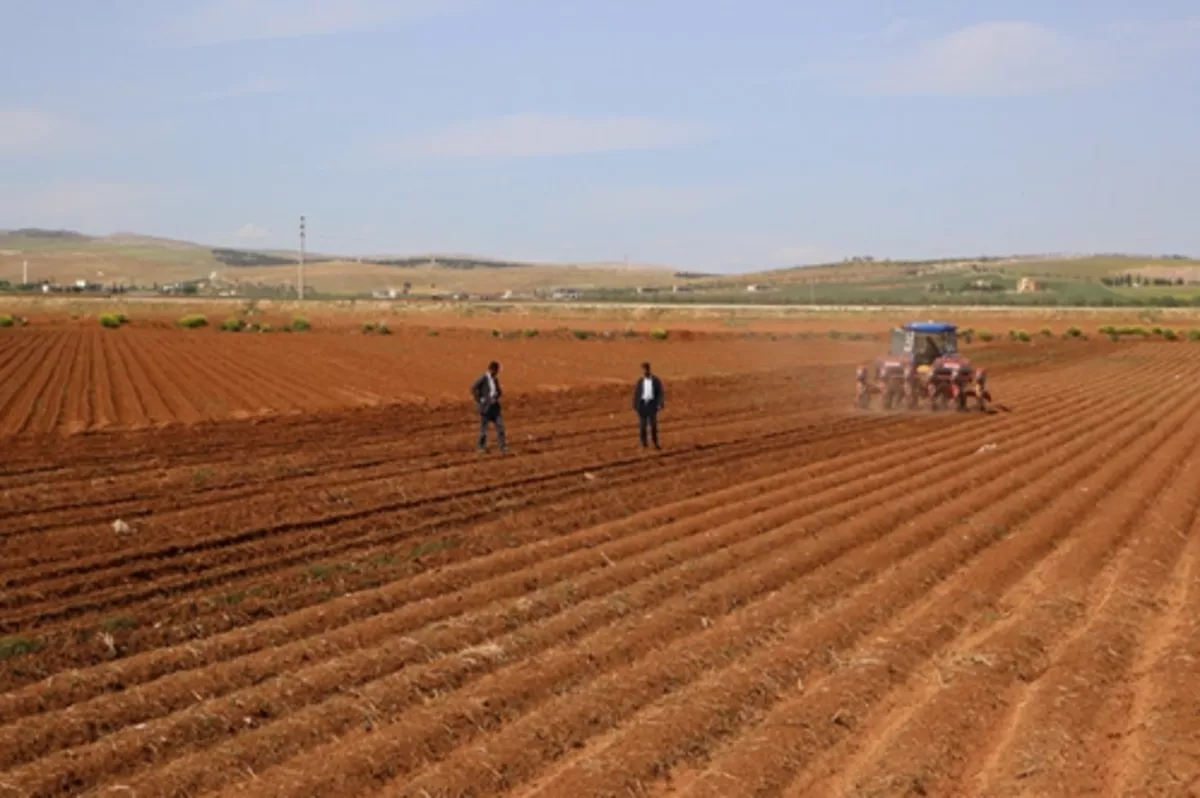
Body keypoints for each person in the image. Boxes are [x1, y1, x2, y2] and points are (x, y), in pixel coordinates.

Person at [471, 360, 508, 453]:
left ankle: (503, 447)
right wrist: (480, 399)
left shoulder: (495, 379)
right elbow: (473, 388)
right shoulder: (483, 378)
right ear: (493, 370)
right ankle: (481, 447)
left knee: (500, 427)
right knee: (483, 429)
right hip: (486, 407)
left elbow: (499, 391)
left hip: (495, 406)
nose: (497, 372)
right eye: (497, 370)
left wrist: (496, 395)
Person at [632, 361, 664, 449]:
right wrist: (635, 405)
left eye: (645, 370)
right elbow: (637, 393)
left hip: (651, 405)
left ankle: (655, 442)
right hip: (642, 405)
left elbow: (660, 392)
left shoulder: (655, 381)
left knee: (653, 425)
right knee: (642, 426)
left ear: (649, 370)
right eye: (643, 370)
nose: (644, 372)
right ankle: (644, 443)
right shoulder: (640, 381)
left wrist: (660, 404)